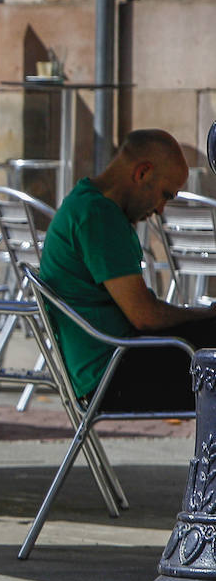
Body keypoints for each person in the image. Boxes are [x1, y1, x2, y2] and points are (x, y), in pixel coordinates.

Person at [39, 129, 214, 411]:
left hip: (112, 364)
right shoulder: (98, 215)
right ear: (143, 172)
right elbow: (145, 316)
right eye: (164, 195)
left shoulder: (86, 202)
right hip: (112, 375)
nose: (161, 209)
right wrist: (205, 314)